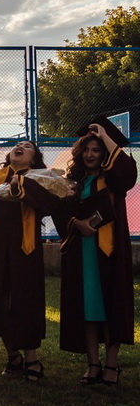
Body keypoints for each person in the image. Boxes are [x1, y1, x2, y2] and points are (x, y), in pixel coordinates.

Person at [55, 120, 137, 385]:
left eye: (97, 149)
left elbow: (128, 173)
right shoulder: (73, 183)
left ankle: (111, 364)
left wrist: (105, 136)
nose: (90, 154)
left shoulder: (113, 179)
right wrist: (76, 223)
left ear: (105, 153)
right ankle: (93, 363)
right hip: (83, 251)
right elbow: (61, 213)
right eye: (87, 149)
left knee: (111, 305)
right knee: (88, 307)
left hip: (110, 251)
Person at [0, 140, 61, 381]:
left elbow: (51, 205)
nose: (20, 147)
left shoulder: (40, 178)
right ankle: (13, 356)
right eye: (17, 144)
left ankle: (32, 359)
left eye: (27, 146)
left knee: (25, 301)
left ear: (34, 158)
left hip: (25, 249)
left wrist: (21, 186)